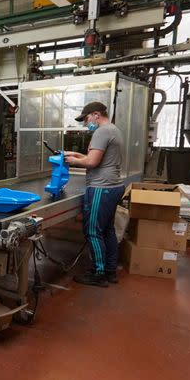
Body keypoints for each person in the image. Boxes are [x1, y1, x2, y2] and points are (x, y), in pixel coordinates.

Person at [64, 101, 124, 288]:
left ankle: (98, 274)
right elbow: (97, 158)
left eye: (87, 118)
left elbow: (92, 163)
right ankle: (110, 271)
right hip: (113, 186)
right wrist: (74, 154)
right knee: (107, 230)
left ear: (96, 114)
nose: (86, 123)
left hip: (101, 187)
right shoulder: (113, 129)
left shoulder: (102, 131)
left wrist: (72, 161)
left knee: (92, 230)